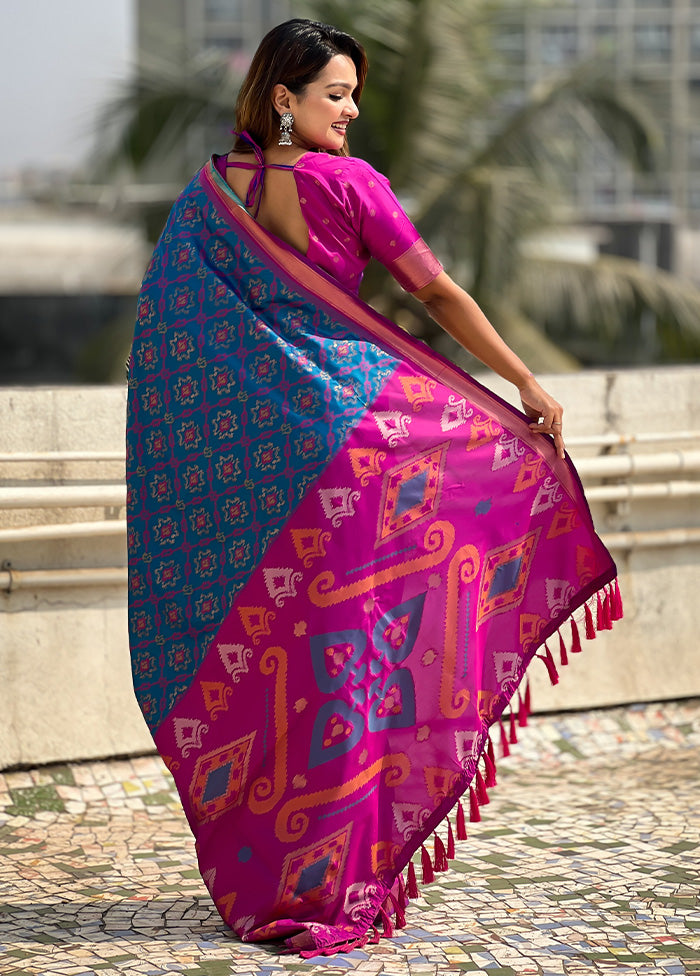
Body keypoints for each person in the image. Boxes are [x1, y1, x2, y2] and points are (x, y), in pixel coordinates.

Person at [126, 18, 622, 958]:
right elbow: (434, 295)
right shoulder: (350, 186)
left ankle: (267, 882)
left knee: (277, 672)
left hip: (264, 475)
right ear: (284, 97)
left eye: (353, 94)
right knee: (343, 672)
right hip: (352, 461)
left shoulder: (211, 198)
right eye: (335, 94)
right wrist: (524, 381)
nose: (351, 111)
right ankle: (332, 887)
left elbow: (170, 347)